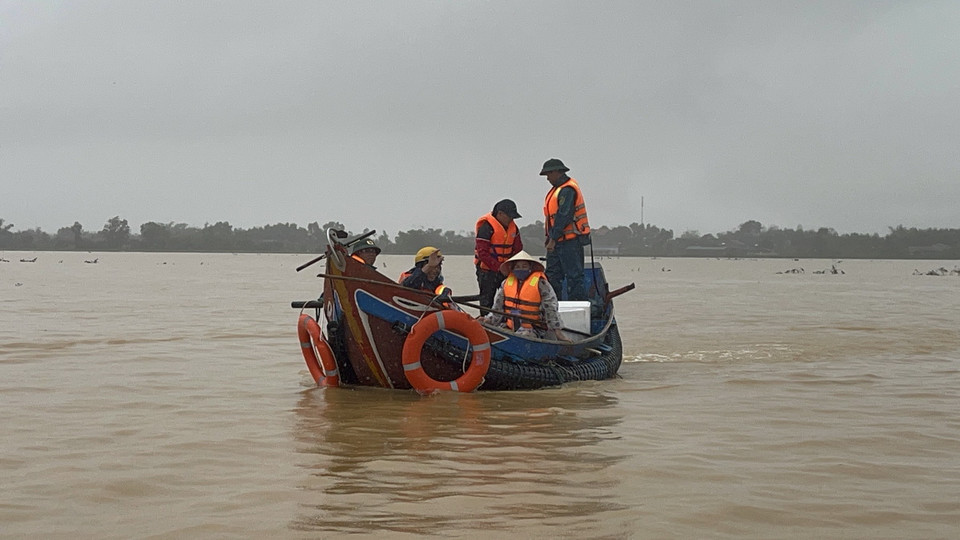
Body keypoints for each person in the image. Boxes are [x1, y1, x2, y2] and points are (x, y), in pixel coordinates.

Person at [481, 250, 569, 341]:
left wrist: (557, 332)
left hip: (533, 328)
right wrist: (488, 319)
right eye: (517, 267)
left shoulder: (541, 284)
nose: (521, 269)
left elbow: (550, 307)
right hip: (509, 325)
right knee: (493, 333)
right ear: (513, 269)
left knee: (523, 335)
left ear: (530, 268)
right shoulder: (506, 283)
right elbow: (497, 307)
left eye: (524, 266)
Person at [540, 158, 590, 301]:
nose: (548, 178)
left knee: (574, 277)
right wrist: (550, 238)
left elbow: (564, 215)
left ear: (557, 172)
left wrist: (553, 239)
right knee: (552, 277)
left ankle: (577, 310)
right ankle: (555, 308)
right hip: (557, 241)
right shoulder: (557, 190)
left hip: (570, 242)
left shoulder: (567, 190)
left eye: (549, 174)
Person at [474, 199, 523, 312]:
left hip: (507, 270)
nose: (511, 219)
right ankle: (485, 319)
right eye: (510, 216)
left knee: (510, 297)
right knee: (487, 300)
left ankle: (507, 320)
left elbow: (518, 249)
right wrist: (499, 267)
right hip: (487, 270)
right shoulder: (486, 228)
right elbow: (482, 253)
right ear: (500, 214)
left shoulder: (514, 228)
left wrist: (512, 266)